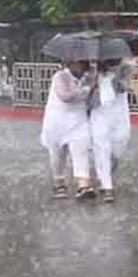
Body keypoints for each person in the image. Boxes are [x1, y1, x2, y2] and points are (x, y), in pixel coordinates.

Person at [40, 60, 93, 199]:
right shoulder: (60, 76)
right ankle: (59, 183)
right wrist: (86, 90)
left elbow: (91, 100)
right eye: (77, 62)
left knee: (81, 151)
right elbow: (66, 96)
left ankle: (83, 185)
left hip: (78, 121)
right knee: (58, 156)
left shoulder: (88, 77)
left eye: (83, 62)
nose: (81, 65)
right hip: (57, 121)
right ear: (70, 63)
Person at [88, 59, 132, 203]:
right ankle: (108, 187)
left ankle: (104, 176)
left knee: (117, 149)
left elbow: (124, 86)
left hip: (118, 114)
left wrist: (115, 78)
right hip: (99, 114)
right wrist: (93, 83)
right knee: (102, 148)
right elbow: (86, 92)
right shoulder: (92, 69)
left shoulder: (124, 67)